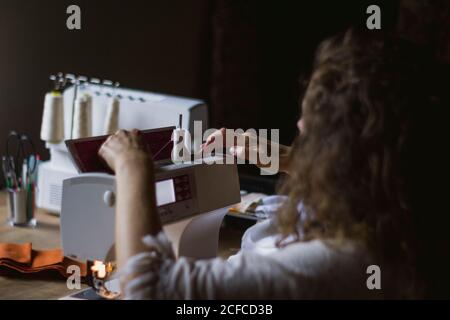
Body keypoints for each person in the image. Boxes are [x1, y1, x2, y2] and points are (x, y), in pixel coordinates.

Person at [98, 29, 449, 299]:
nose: (299, 125)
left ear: (342, 146)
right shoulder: (406, 225)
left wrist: (132, 168)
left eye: (313, 122)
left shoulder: (339, 261)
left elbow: (148, 291)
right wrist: (283, 157)